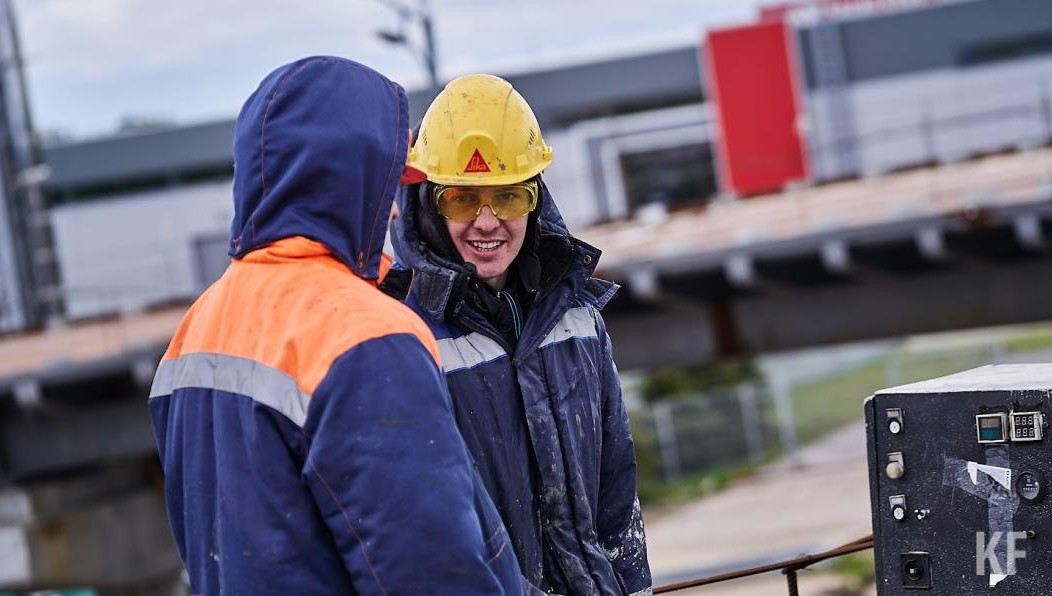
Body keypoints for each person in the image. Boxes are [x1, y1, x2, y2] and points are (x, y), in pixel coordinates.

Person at [148, 57, 526, 595]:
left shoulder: (196, 329)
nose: (395, 213)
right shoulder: (363, 336)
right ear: (349, 179)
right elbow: (431, 572)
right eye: (387, 184)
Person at [392, 74, 652, 596]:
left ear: (533, 201)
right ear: (428, 204)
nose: (488, 223)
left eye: (508, 196)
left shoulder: (579, 322)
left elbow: (616, 497)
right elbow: (423, 530)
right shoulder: (403, 338)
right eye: (462, 200)